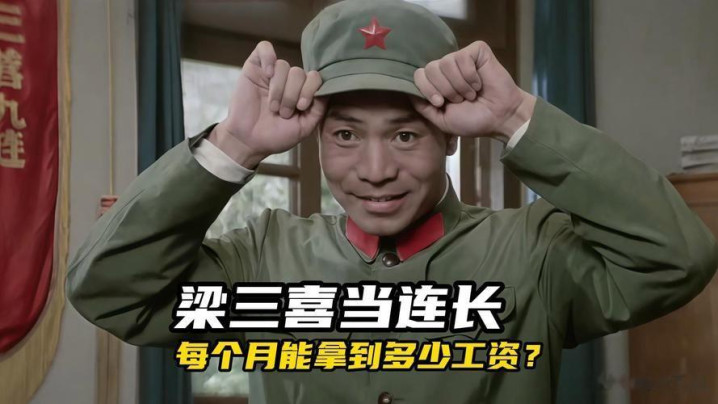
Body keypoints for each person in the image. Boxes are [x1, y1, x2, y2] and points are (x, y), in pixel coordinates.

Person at [66, 0, 718, 403]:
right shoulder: (264, 260)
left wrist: (517, 116)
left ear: (450, 137)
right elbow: (111, 291)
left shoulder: (533, 254)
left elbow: (677, 258)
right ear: (316, 139)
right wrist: (233, 143)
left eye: (405, 134)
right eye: (346, 135)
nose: (376, 172)